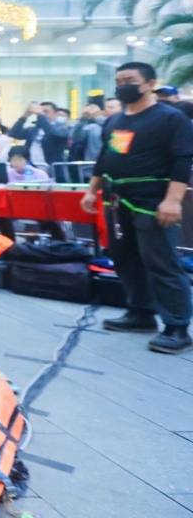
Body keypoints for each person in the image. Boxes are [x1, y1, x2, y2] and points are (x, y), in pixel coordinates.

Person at [82, 62, 193, 354]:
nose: (122, 86)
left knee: (161, 262)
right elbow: (105, 159)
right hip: (117, 200)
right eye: (119, 81)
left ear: (150, 83)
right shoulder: (115, 121)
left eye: (129, 80)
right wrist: (92, 190)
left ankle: (177, 326)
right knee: (125, 258)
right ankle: (140, 313)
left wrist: (173, 200)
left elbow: (182, 161)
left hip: (153, 200)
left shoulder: (171, 118)